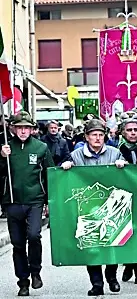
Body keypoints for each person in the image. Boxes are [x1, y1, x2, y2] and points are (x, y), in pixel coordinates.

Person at [60, 119, 129, 296]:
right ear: (86, 137)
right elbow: (63, 175)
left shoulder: (114, 153)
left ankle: (112, 277)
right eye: (94, 135)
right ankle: (97, 283)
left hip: (111, 207)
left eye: (101, 135)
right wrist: (66, 167)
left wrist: (123, 165)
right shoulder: (76, 155)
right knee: (91, 247)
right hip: (87, 209)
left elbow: (129, 174)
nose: (98, 138)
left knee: (111, 243)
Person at [0, 112, 55, 297]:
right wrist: (1, 157)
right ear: (13, 129)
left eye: (26, 127)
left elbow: (50, 174)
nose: (23, 131)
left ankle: (35, 271)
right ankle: (22, 281)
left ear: (32, 129)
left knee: (33, 235)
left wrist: (49, 200)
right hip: (12, 201)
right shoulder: (6, 148)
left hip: (35, 200)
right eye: (19, 127)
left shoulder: (41, 147)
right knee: (17, 244)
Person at [117, 116, 137, 284]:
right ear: (123, 132)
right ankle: (129, 264)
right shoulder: (117, 149)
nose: (133, 133)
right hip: (126, 195)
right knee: (127, 232)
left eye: (135, 130)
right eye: (129, 130)